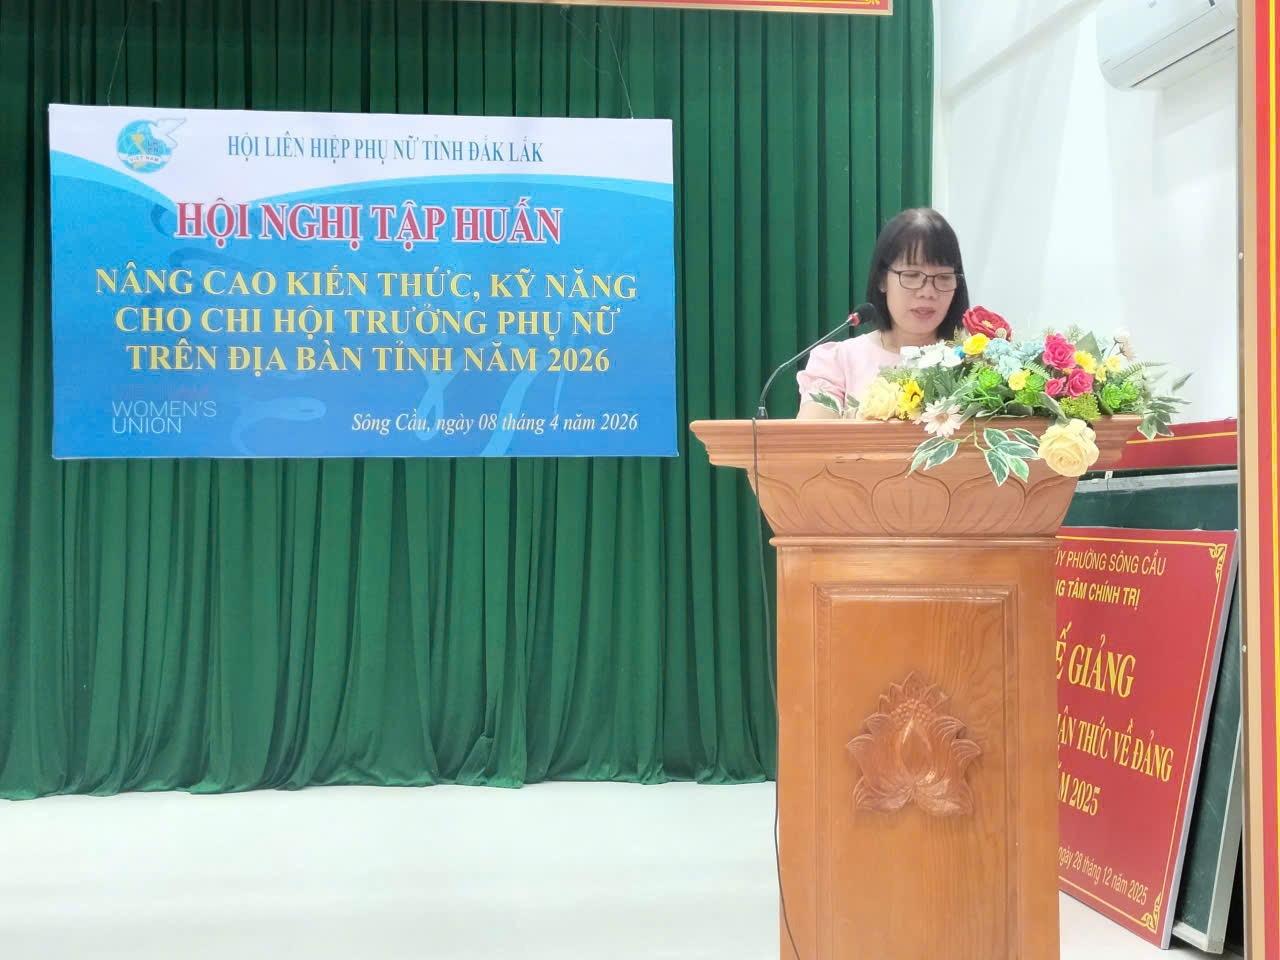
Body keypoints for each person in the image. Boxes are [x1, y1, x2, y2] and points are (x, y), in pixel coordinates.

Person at [797, 208, 970, 419]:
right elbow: (812, 435)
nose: (927, 292)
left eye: (943, 277)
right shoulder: (838, 362)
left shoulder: (976, 361)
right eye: (912, 275)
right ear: (882, 280)